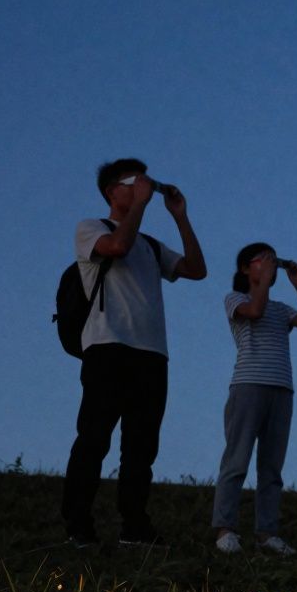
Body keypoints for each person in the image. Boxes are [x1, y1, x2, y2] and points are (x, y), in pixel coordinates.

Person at [62, 158, 207, 548]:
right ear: (113, 191)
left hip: (151, 353)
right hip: (107, 347)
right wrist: (142, 205)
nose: (142, 187)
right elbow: (118, 247)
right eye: (134, 182)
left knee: (141, 445)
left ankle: (134, 525)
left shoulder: (150, 245)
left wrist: (180, 217)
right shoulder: (91, 228)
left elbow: (196, 269)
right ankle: (78, 522)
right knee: (94, 437)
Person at [210, 243, 297, 555]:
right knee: (236, 460)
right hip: (248, 386)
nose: (270, 265)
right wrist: (262, 281)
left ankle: (267, 532)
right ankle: (225, 529)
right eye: (263, 260)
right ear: (246, 268)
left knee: (272, 468)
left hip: (281, 390)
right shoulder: (237, 299)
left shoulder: (282, 308)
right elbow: (255, 311)